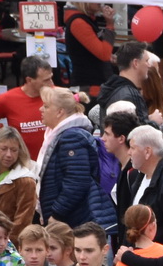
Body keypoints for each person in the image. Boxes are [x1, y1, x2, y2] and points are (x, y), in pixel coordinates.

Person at [37, 89, 118, 232]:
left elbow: (77, 181)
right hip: (72, 219)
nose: (40, 109)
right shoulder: (59, 135)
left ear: (60, 112)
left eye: (46, 106)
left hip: (75, 220)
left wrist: (56, 214)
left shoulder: (71, 137)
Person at [0, 56, 53, 156]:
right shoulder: (6, 99)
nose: (51, 83)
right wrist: (3, 144)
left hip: (53, 161)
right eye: (46, 80)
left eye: (51, 78)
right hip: (22, 162)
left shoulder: (56, 95)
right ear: (29, 80)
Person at [98, 40, 152, 121]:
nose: (149, 65)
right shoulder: (129, 95)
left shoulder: (112, 90)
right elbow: (130, 128)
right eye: (146, 61)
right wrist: (153, 122)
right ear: (135, 63)